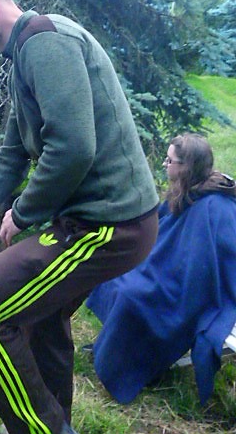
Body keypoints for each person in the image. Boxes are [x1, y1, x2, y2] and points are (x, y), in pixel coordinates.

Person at [0, 0, 159, 434]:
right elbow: (11, 156)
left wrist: (23, 212)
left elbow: (73, 148)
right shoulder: (24, 54)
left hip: (109, 227)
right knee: (41, 320)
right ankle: (58, 426)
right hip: (90, 222)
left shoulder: (45, 41)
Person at [86, 133, 236, 405]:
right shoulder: (188, 191)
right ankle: (116, 352)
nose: (165, 165)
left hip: (186, 291)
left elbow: (209, 266)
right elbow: (161, 228)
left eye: (170, 161)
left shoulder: (216, 207)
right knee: (113, 276)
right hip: (163, 271)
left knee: (132, 299)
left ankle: (122, 370)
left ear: (187, 167)